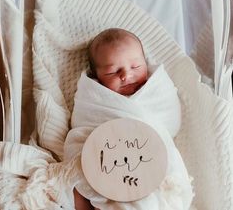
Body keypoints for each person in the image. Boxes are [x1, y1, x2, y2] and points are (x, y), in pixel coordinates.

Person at [66, 28, 193, 210]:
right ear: (97, 77)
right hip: (107, 161)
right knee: (75, 181)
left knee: (157, 195)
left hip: (149, 160)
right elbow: (83, 128)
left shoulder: (156, 91)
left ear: (145, 63)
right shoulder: (95, 99)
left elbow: (169, 122)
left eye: (135, 67)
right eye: (112, 72)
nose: (125, 75)